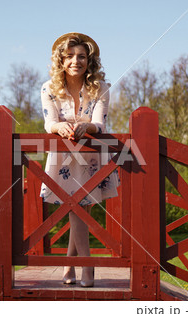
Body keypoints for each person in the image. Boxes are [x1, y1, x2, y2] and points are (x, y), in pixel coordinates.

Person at [40, 32, 119, 287]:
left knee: (79, 208)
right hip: (63, 157)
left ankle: (71, 267)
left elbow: (99, 122)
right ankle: (85, 267)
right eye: (70, 56)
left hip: (91, 156)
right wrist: (58, 128)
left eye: (82, 56)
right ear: (61, 60)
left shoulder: (101, 88)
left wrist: (89, 128)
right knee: (76, 208)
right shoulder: (48, 88)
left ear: (89, 60)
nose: (76, 61)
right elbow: (49, 122)